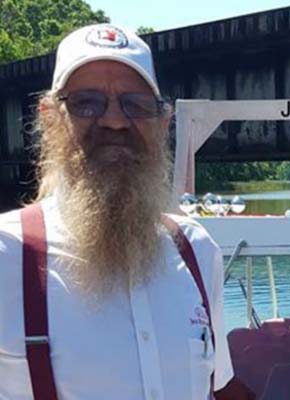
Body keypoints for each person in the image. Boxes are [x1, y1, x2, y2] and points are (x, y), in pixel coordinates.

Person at [0, 24, 248, 399]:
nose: (115, 120)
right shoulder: (7, 255)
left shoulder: (197, 251)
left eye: (136, 104)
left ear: (162, 122)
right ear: (49, 117)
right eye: (86, 102)